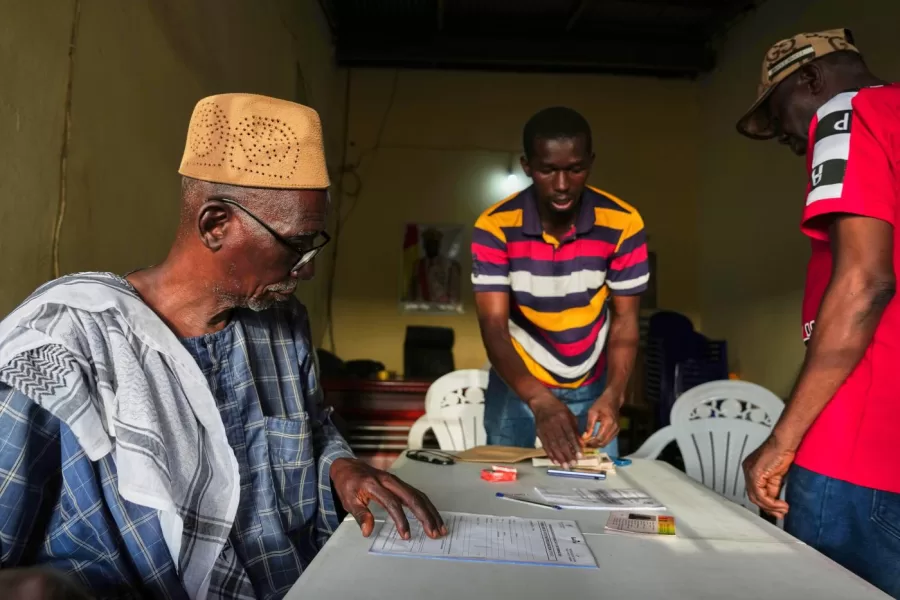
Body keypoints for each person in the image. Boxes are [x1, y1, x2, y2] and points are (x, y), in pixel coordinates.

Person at [0, 93, 445, 600]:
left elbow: (316, 432)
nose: (309, 267)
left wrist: (343, 468)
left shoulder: (282, 323)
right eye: (296, 244)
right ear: (215, 224)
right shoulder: (61, 346)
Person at [737, 29, 900, 598]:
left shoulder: (847, 112)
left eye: (785, 120)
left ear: (810, 79)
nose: (792, 140)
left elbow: (865, 284)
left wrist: (781, 443)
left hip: (856, 463)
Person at [471, 106, 648, 467]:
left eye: (575, 169)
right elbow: (493, 328)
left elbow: (626, 322)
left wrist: (614, 396)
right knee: (504, 487)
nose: (563, 184)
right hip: (516, 385)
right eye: (548, 170)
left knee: (597, 494)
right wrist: (538, 399)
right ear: (527, 166)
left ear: (591, 163)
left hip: (593, 383)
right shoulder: (494, 227)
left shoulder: (623, 223)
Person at [407, 228, 461, 304]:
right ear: (424, 245)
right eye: (428, 243)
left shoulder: (450, 265)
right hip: (421, 309)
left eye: (433, 243)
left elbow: (454, 292)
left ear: (438, 245)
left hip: (443, 310)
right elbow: (412, 291)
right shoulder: (417, 265)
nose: (431, 246)